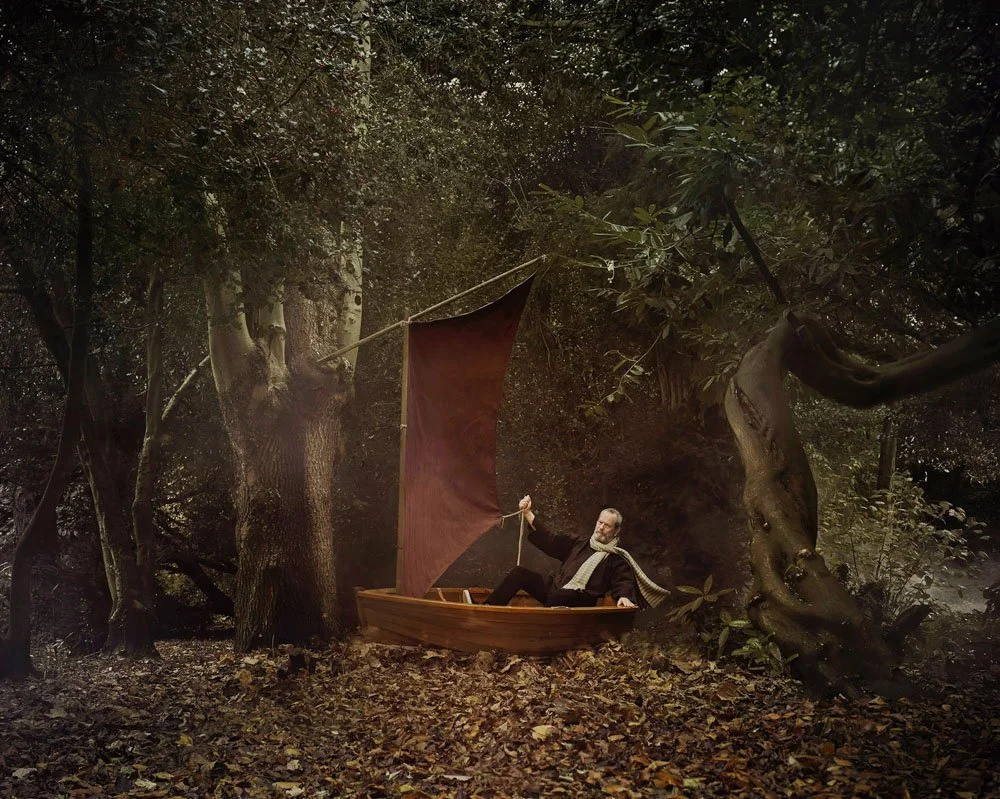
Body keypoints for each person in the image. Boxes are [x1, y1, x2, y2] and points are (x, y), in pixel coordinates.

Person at [480, 495, 668, 609]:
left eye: (607, 526)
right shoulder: (581, 542)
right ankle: (488, 609)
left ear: (616, 531)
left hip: (578, 601)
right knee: (519, 573)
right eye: (600, 522)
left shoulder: (616, 559)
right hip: (555, 590)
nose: (601, 528)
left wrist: (624, 597)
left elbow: (623, 582)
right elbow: (551, 540)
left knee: (564, 595)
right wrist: (529, 514)